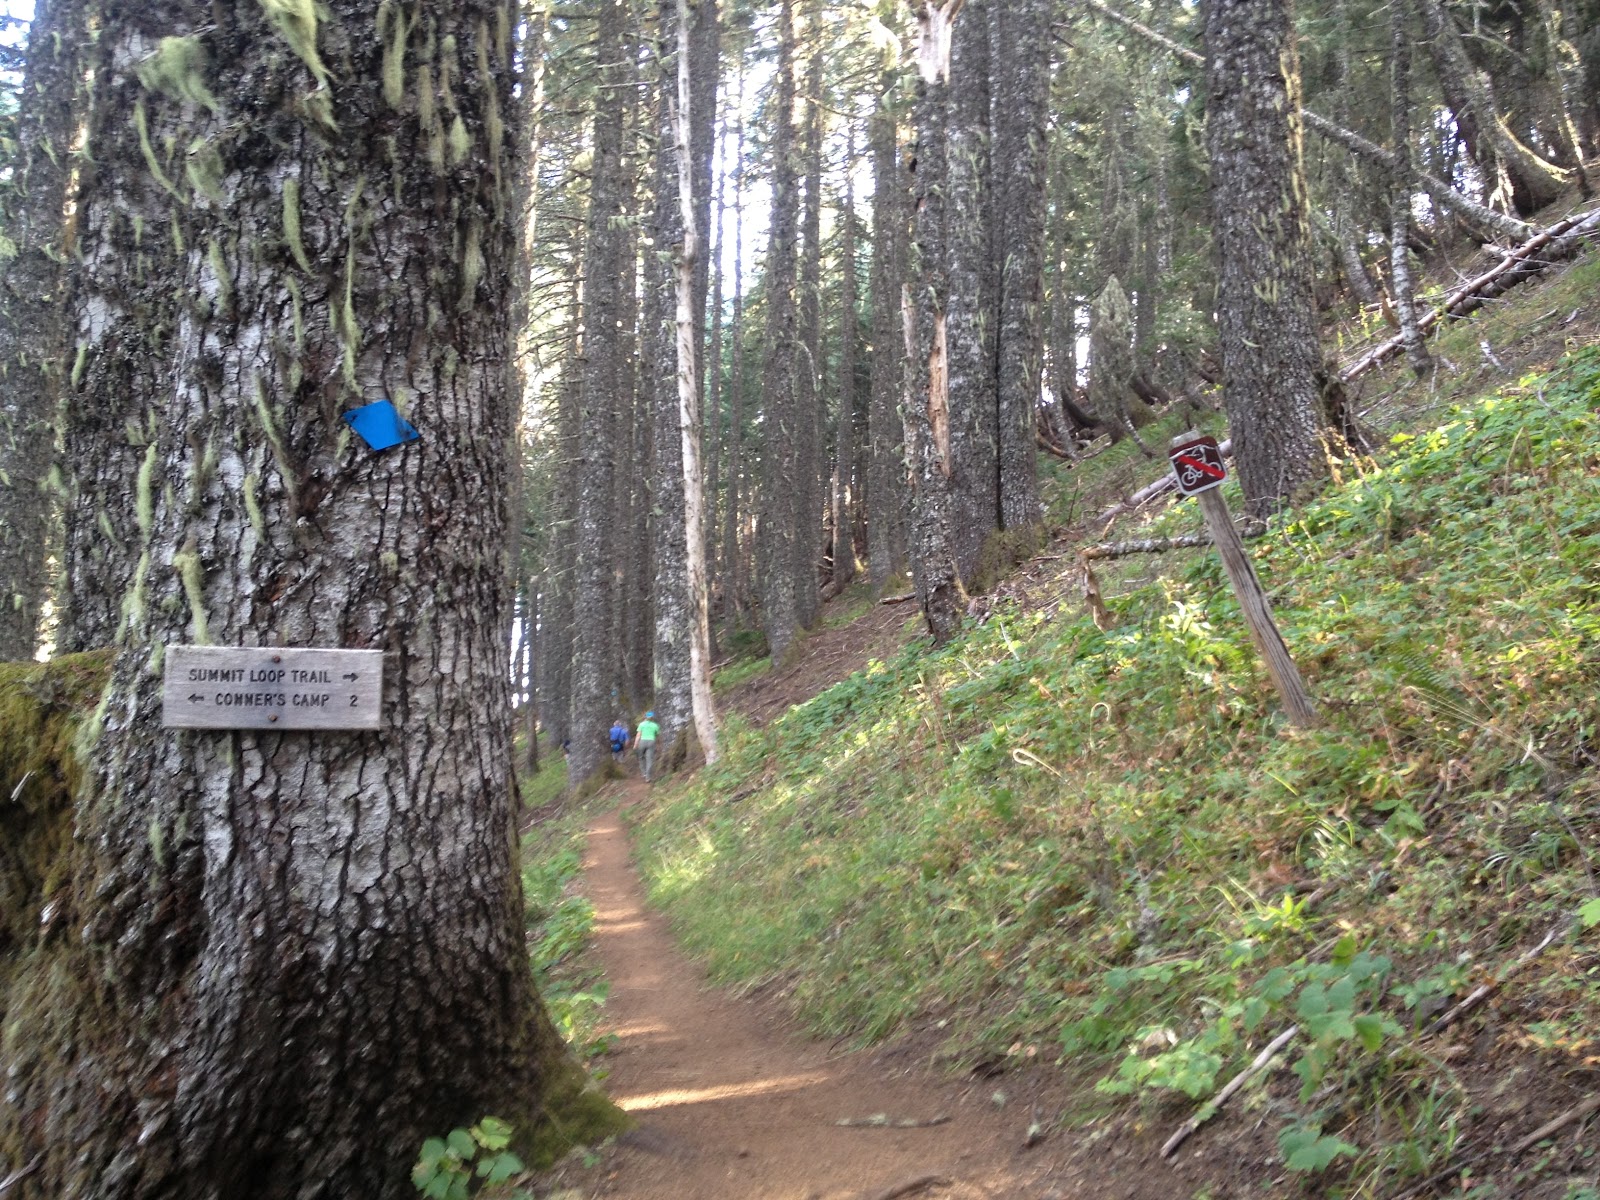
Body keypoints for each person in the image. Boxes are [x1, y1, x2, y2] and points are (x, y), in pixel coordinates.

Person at [632, 711, 660, 782]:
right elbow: (657, 735)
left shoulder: (641, 724)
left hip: (642, 741)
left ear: (645, 717)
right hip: (651, 741)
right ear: (652, 718)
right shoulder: (655, 725)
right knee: (649, 759)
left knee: (641, 757)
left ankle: (643, 773)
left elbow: (638, 735)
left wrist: (635, 744)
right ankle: (648, 777)